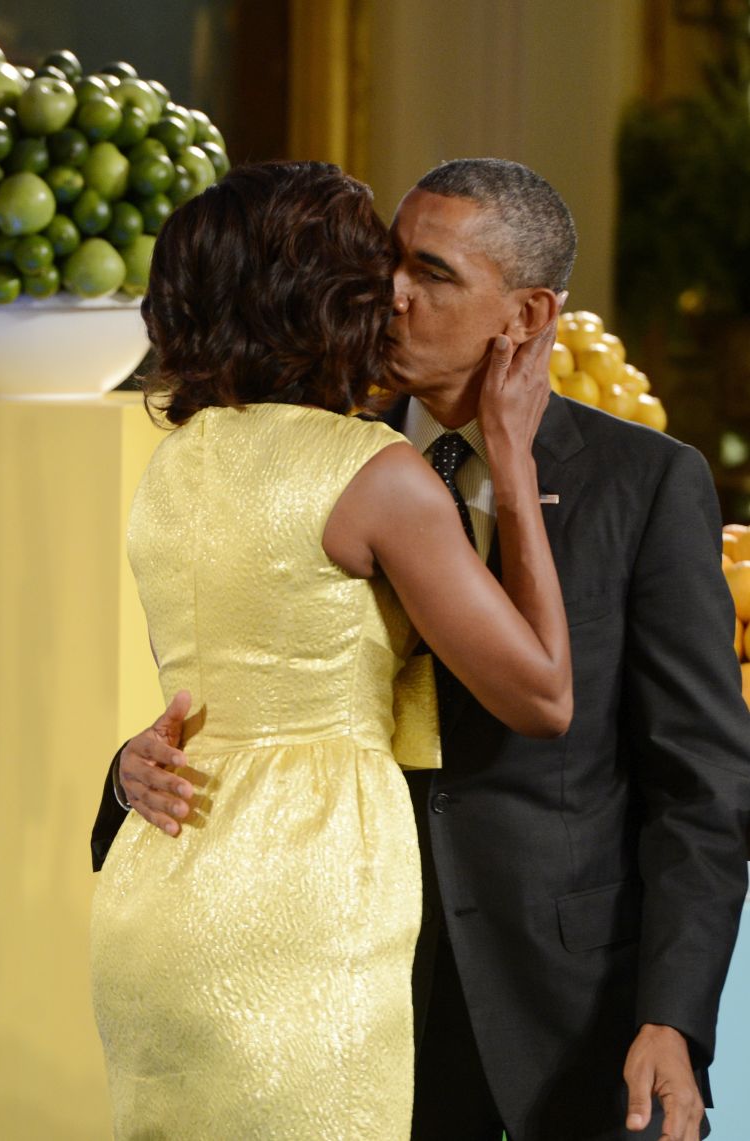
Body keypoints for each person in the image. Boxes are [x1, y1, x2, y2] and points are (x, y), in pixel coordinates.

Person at [92, 158, 750, 1141]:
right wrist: (127, 769)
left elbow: (700, 777)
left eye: (432, 273)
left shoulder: (644, 482)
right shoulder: (322, 458)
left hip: (565, 1005)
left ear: (524, 315)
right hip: (339, 984)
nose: (389, 294)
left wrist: (675, 1017)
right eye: (386, 262)